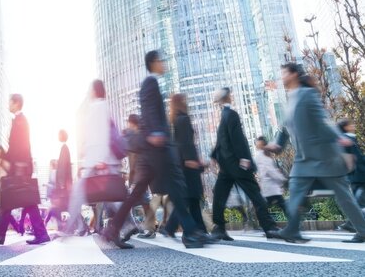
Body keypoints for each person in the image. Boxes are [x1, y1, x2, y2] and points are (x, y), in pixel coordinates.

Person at [104, 51, 213, 249]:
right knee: (175, 186)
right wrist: (155, 132)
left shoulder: (152, 83)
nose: (164, 64)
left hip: (151, 147)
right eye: (161, 61)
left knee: (139, 191)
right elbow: (148, 108)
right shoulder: (150, 83)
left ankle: (113, 228)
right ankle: (191, 232)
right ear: (153, 63)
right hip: (156, 146)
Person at [270, 63, 365, 243]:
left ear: (294, 74)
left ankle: (363, 230)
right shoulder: (291, 98)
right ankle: (292, 230)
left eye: (284, 73)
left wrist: (338, 137)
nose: (281, 77)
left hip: (325, 156)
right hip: (304, 158)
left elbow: (322, 120)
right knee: (296, 190)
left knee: (344, 196)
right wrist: (277, 145)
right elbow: (286, 127)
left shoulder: (307, 94)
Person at [209, 87, 279, 241]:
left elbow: (222, 139)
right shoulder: (231, 114)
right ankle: (269, 227)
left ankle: (219, 228)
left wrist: (214, 156)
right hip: (236, 164)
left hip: (226, 166)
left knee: (220, 196)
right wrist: (244, 158)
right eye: (231, 95)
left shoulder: (224, 115)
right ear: (228, 97)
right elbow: (237, 138)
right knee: (254, 194)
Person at [0, 94, 50, 245]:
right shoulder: (19, 120)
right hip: (20, 166)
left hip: (19, 168)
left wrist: (10, 162)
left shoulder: (20, 121)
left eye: (10, 102)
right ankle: (0, 234)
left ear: (16, 103)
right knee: (15, 202)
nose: (8, 105)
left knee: (19, 201)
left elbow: (21, 146)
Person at [63, 80, 124, 237]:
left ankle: (69, 229)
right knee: (110, 196)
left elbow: (102, 134)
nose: (89, 93)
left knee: (80, 192)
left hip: (100, 160)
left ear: (95, 91)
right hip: (100, 159)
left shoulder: (99, 107)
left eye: (90, 90)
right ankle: (129, 224)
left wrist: (100, 159)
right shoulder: (100, 106)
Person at [164, 93, 207, 236]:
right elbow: (186, 142)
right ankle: (199, 230)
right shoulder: (183, 119)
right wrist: (191, 160)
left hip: (182, 164)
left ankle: (171, 227)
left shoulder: (175, 119)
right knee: (192, 197)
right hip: (188, 163)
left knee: (189, 198)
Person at [336, 119, 365, 233]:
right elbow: (357, 159)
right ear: (346, 127)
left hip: (353, 176)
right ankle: (352, 224)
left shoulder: (343, 139)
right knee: (360, 201)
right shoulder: (348, 139)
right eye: (351, 124)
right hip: (360, 175)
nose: (353, 125)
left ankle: (350, 223)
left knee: (359, 201)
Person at [254, 136, 288, 219]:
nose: (257, 146)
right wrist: (282, 179)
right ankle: (294, 223)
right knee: (282, 205)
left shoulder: (263, 154)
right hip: (270, 187)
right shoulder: (261, 155)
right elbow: (270, 171)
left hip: (270, 187)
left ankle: (265, 224)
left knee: (266, 207)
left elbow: (270, 171)